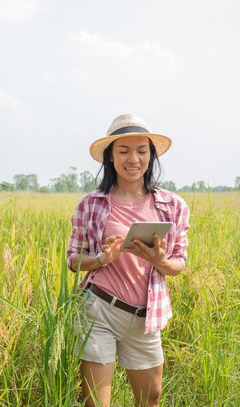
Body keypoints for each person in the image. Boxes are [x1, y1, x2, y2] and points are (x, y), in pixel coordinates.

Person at [66, 113, 190, 407]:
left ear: (151, 155)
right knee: (96, 402)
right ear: (110, 157)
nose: (133, 158)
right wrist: (100, 258)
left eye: (141, 150)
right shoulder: (92, 203)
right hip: (99, 310)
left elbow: (179, 263)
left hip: (145, 316)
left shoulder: (172, 205)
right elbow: (73, 259)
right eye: (123, 151)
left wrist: (159, 260)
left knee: (151, 398)